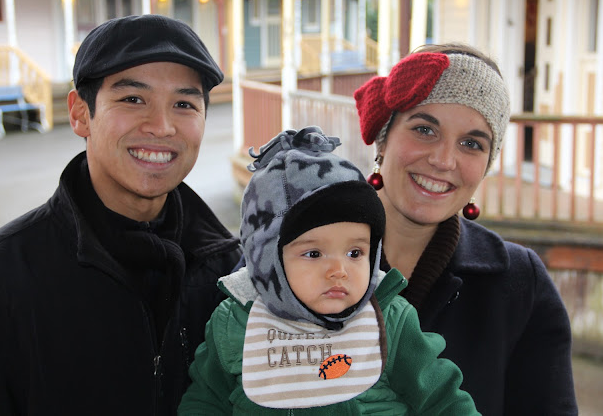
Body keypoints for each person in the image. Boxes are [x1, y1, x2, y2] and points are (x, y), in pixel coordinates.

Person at [0, 15, 242, 415]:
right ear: (80, 113)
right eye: (133, 99)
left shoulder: (234, 276)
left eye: (184, 104)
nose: (162, 127)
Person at [179, 126, 479, 414]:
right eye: (313, 253)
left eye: (355, 253)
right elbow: (206, 401)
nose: (339, 270)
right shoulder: (235, 322)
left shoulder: (389, 320)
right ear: (267, 260)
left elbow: (443, 401)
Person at [353, 43, 577, 415]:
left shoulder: (521, 285)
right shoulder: (296, 254)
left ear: (487, 164)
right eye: (424, 129)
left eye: (471, 143)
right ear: (383, 139)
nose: (444, 160)